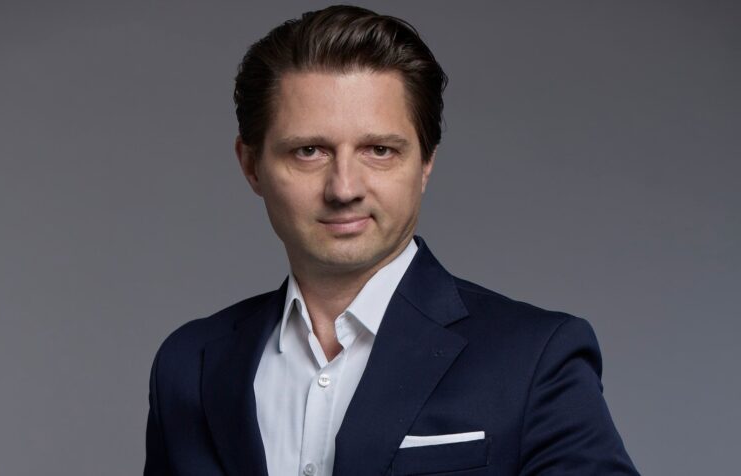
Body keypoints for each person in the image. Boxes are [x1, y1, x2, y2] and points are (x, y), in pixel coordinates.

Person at [144, 5, 639, 476]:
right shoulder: (189, 365)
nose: (344, 189)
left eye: (379, 150)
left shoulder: (535, 359)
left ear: (425, 164)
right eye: (309, 151)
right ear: (251, 165)